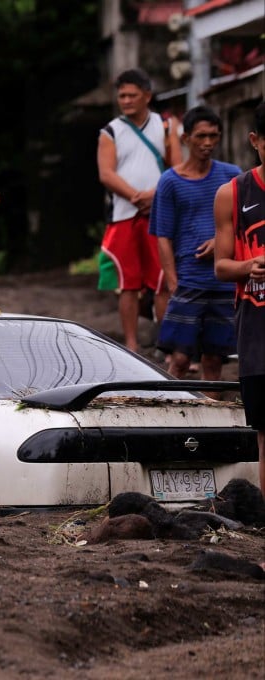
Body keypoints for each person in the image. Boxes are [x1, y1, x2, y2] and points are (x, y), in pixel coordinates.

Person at [150, 106, 241, 386]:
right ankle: (170, 415)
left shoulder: (232, 176)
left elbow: (245, 224)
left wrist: (221, 241)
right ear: (186, 138)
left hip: (224, 281)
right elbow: (162, 234)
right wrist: (173, 281)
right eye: (201, 136)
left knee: (214, 360)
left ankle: (212, 425)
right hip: (189, 279)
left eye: (213, 136)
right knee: (178, 359)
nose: (208, 143)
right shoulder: (170, 182)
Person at [97, 68, 180, 351]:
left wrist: (155, 195)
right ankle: (131, 344)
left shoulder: (167, 126)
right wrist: (136, 196)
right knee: (128, 283)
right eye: (122, 95)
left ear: (147, 96)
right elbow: (106, 174)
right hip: (123, 215)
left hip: (160, 214)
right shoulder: (110, 131)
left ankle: (164, 343)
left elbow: (178, 169)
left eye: (132, 95)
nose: (127, 100)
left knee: (162, 280)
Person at [214, 100, 265, 494]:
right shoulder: (233, 193)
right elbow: (221, 265)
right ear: (255, 141)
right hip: (257, 333)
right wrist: (250, 267)